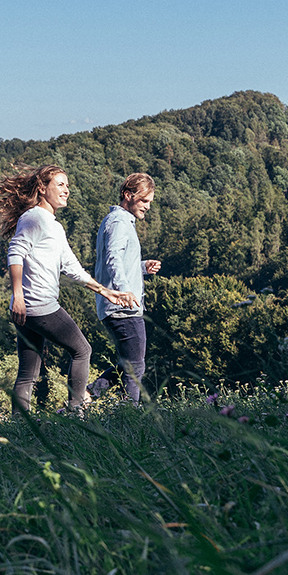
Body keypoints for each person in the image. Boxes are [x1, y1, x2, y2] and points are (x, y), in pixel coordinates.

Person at [0, 165, 138, 414]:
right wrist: (18, 295)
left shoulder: (53, 226)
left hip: (28, 308)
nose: (66, 190)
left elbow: (72, 268)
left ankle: (18, 425)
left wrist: (106, 292)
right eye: (60, 184)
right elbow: (15, 252)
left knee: (28, 372)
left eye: (67, 185)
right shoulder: (35, 217)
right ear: (42, 188)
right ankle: (76, 411)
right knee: (82, 350)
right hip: (39, 305)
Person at [88, 173, 161, 403]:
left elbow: (119, 260)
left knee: (129, 364)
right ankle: (130, 414)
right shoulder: (119, 222)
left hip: (118, 305)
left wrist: (141, 267)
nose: (148, 207)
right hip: (123, 307)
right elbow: (112, 259)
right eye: (144, 201)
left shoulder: (118, 221)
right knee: (136, 368)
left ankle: (88, 394)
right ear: (128, 196)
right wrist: (124, 291)